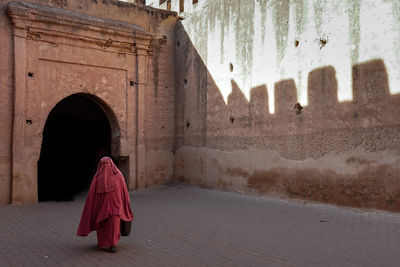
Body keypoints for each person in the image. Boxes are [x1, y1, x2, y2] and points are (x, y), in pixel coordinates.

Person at [77, 156, 133, 253]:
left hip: (115, 207)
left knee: (113, 225)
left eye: (106, 164)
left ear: (111, 165)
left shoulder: (118, 176)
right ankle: (103, 243)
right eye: (103, 164)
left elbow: (124, 193)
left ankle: (113, 244)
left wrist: (125, 206)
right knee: (103, 226)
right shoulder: (97, 178)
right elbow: (91, 197)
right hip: (101, 208)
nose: (105, 166)